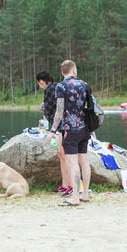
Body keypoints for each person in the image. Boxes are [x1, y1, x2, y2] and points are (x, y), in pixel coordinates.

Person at [46, 60, 91, 206]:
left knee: (72, 164)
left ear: (62, 72)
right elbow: (90, 107)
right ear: (74, 70)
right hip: (84, 128)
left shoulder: (61, 86)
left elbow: (59, 111)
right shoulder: (84, 85)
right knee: (84, 162)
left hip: (69, 130)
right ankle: (85, 194)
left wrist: (53, 131)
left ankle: (75, 197)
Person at [36, 71, 72, 197]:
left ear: (41, 81)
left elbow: (51, 109)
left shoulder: (49, 90)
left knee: (65, 155)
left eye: (39, 83)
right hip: (65, 124)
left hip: (61, 126)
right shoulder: (59, 86)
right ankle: (65, 184)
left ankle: (70, 185)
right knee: (62, 154)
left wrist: (52, 129)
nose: (40, 85)